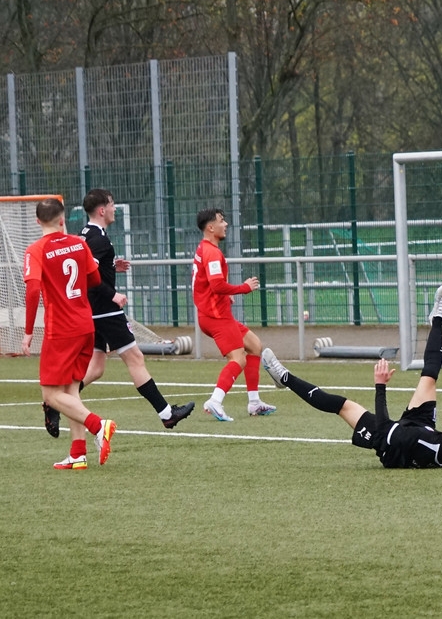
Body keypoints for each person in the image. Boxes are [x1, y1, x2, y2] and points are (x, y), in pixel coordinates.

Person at [260, 285, 442, 467]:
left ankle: (284, 378)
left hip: (392, 444)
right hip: (419, 428)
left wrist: (380, 386)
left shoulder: (418, 440)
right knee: (430, 376)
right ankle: (437, 319)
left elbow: (382, 427)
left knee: (341, 405)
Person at [40, 189, 194, 437]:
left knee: (96, 368)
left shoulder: (86, 235)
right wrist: (112, 294)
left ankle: (57, 401)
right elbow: (89, 278)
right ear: (102, 210)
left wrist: (112, 266)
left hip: (91, 312)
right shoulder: (98, 239)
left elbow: (87, 269)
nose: (114, 209)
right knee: (135, 358)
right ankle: (167, 414)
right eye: (112, 204)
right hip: (104, 311)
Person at [22, 197, 117, 469]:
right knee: (70, 389)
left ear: (37, 221)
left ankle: (98, 425)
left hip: (61, 329)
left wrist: (28, 332)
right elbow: (95, 279)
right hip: (85, 324)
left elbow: (33, 290)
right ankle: (78, 454)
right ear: (63, 219)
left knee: (50, 395)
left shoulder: (36, 250)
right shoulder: (79, 243)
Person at [193, 207, 275, 421]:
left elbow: (208, 284)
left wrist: (224, 295)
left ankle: (254, 402)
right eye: (221, 220)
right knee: (238, 358)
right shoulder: (212, 252)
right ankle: (215, 401)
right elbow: (217, 285)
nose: (226, 224)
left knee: (254, 345)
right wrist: (243, 288)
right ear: (211, 227)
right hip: (216, 316)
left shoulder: (205, 248)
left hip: (214, 313)